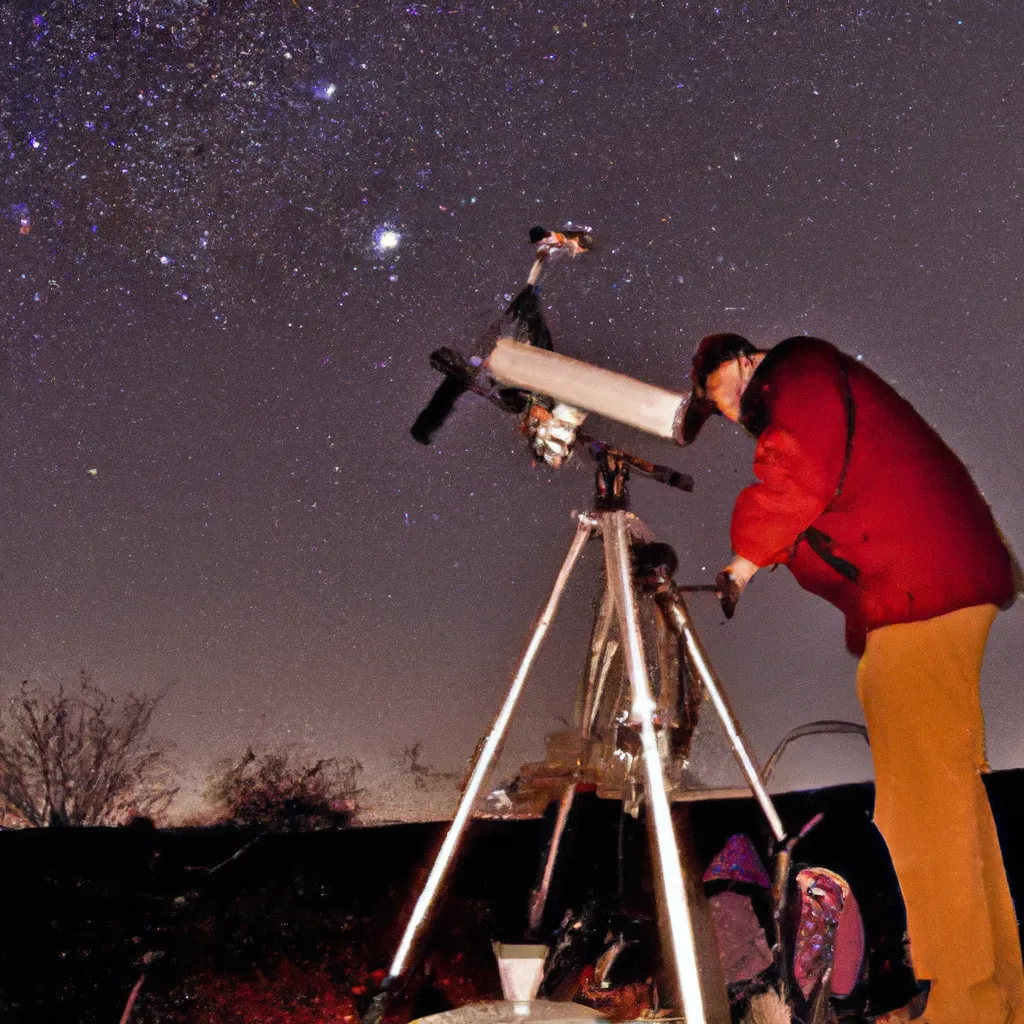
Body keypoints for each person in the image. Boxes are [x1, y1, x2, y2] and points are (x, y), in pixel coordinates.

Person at [681, 332, 1023, 1024]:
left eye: (728, 391)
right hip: (932, 590)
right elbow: (827, 516)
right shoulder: (817, 396)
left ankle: (958, 1007)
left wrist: (746, 555)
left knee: (921, 814)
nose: (734, 410)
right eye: (721, 409)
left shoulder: (798, 370)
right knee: (955, 805)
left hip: (920, 598)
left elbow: (797, 468)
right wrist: (774, 550)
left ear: (751, 361)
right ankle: (999, 998)